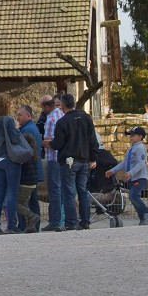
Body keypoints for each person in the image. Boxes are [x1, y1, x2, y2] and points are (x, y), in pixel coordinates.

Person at [50, 92, 99, 231]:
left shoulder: (62, 122)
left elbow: (58, 143)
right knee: (83, 191)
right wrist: (93, 157)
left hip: (68, 161)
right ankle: (85, 221)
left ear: (63, 105)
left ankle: (71, 222)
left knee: (69, 193)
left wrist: (49, 144)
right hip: (84, 160)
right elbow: (93, 140)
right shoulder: (86, 118)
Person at [0, 114, 24, 234]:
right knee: (12, 192)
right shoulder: (8, 120)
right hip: (9, 159)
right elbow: (15, 139)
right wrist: (17, 128)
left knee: (0, 193)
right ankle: (11, 225)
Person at [105, 125, 148, 225]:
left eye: (133, 135)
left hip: (139, 177)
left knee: (133, 195)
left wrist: (131, 173)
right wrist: (112, 171)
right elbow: (123, 163)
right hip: (132, 178)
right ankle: (143, 218)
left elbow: (141, 163)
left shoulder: (140, 148)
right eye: (130, 135)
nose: (131, 137)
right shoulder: (131, 149)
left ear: (140, 137)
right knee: (133, 196)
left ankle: (146, 212)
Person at [16, 105, 44, 231]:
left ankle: (25, 225)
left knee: (24, 202)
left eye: (20, 114)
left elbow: (23, 151)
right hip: (34, 172)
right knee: (31, 200)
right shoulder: (32, 128)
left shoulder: (26, 130)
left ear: (28, 115)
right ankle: (32, 225)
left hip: (28, 174)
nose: (18, 117)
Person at [40, 94, 65, 231]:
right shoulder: (61, 115)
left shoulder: (51, 119)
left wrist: (40, 142)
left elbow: (50, 142)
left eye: (42, 108)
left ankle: (55, 221)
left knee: (54, 191)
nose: (42, 111)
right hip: (63, 159)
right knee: (63, 190)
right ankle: (62, 219)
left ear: (46, 106)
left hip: (53, 158)